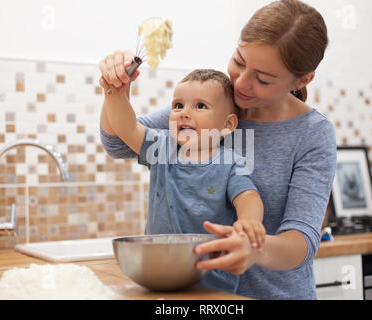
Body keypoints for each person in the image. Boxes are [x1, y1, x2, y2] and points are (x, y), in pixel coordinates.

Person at [99, 0, 336, 299]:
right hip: (198, 297)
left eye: (262, 79)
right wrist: (114, 86)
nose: (241, 84)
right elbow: (117, 141)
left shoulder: (313, 132)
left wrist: (254, 248)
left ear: (302, 80)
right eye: (239, 61)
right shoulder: (212, 102)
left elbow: (301, 241)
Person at [100, 68, 265, 293]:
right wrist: (114, 93)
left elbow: (248, 196)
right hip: (157, 276)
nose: (184, 113)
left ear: (228, 125)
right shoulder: (161, 147)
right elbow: (126, 127)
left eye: (200, 106)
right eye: (178, 105)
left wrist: (250, 222)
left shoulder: (231, 162)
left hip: (212, 284)